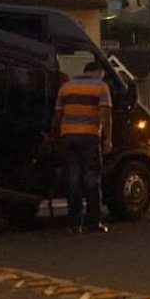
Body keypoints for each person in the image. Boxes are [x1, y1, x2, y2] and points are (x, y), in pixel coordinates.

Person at [53, 60, 112, 234]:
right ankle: (93, 222)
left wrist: (53, 135)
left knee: (72, 180)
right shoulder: (101, 87)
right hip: (89, 136)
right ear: (98, 72)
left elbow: (57, 114)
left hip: (68, 136)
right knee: (91, 179)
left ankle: (74, 223)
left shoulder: (66, 87)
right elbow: (105, 114)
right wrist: (107, 139)